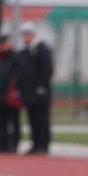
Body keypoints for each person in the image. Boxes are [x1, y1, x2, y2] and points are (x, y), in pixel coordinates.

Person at [16, 22, 53, 154]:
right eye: (24, 35)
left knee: (42, 118)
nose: (25, 37)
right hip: (29, 91)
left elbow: (46, 69)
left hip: (40, 92)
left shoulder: (42, 49)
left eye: (27, 34)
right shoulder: (24, 51)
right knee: (32, 119)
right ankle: (35, 143)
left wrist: (42, 86)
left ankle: (43, 145)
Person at [0, 32, 20, 153]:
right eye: (1, 43)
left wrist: (16, 91)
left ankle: (13, 145)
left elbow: (19, 75)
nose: (3, 46)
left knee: (13, 122)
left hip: (11, 95)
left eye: (5, 43)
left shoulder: (15, 57)